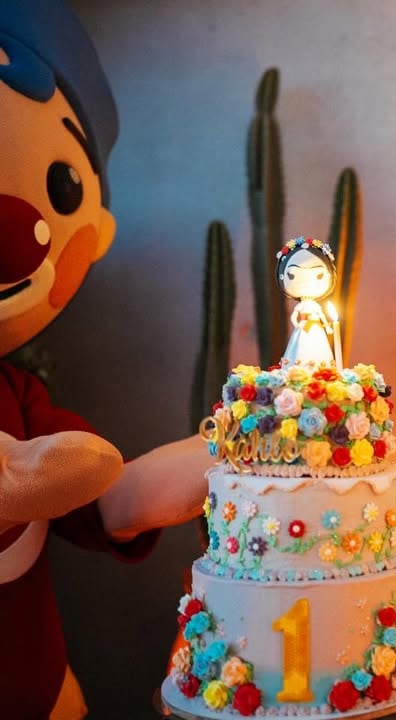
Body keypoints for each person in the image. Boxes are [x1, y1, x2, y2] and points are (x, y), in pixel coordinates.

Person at [0, 2, 213, 716]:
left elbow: (99, 494)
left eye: (60, 189)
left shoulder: (18, 394)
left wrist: (213, 459)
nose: (20, 235)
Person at [277, 236, 337, 366]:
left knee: (319, 348)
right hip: (303, 327)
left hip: (316, 327)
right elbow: (294, 316)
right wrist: (297, 325)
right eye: (292, 275)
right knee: (300, 348)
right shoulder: (302, 306)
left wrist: (327, 326)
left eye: (319, 275)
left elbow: (321, 316)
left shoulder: (315, 305)